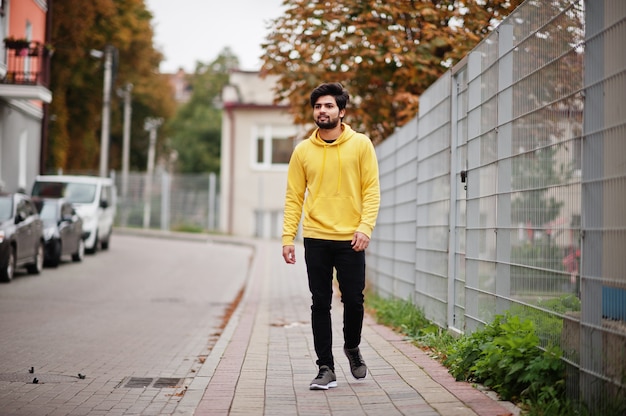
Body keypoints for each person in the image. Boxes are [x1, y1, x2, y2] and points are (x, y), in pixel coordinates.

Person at [281, 82, 380, 390]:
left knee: (354, 300)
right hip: (316, 237)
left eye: (328, 106)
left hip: (352, 238)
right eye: (318, 106)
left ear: (341, 111)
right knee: (320, 302)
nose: (322, 111)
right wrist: (287, 237)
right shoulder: (303, 151)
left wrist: (365, 228)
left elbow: (371, 190)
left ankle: (352, 346)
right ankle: (326, 367)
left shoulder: (361, 145)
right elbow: (294, 196)